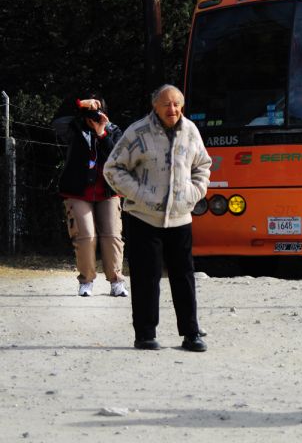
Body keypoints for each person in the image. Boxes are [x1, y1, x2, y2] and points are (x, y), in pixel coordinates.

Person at [103, 85, 212, 352]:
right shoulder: (138, 132)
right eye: (166, 104)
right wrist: (140, 194)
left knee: (184, 277)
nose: (172, 109)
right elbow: (112, 168)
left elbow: (203, 166)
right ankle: (145, 335)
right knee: (145, 277)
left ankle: (191, 334)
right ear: (155, 106)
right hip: (144, 217)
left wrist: (192, 193)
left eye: (176, 104)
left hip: (180, 217)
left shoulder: (191, 131)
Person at [52, 94, 128, 298]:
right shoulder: (73, 127)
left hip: (107, 191)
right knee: (85, 236)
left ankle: (116, 282)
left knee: (112, 235)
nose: (95, 113)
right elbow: (57, 119)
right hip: (77, 191)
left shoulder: (113, 130)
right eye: (91, 109)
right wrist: (78, 103)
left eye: (98, 108)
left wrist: (102, 132)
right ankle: (86, 281)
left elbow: (116, 156)